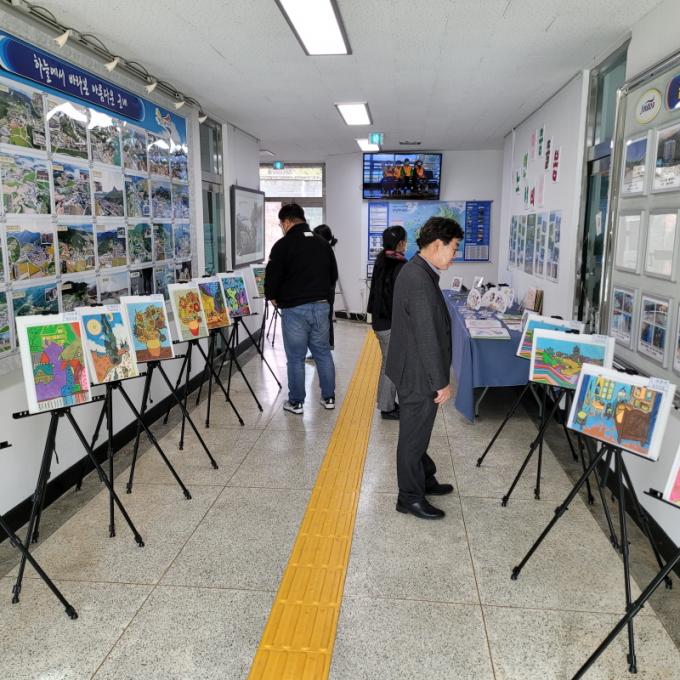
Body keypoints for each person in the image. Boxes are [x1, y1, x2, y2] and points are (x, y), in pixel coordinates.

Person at [386, 216, 463, 520]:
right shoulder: (418, 278)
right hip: (417, 373)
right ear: (437, 244)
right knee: (413, 437)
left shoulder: (419, 270)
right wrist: (440, 381)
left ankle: (424, 478)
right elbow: (427, 335)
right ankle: (409, 497)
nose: (454, 255)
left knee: (418, 432)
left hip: (413, 368)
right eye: (454, 248)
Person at [265, 204, 338, 414]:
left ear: (287, 222)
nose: (282, 227)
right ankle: (329, 397)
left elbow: (272, 277)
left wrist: (273, 296)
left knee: (296, 357)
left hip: (295, 309)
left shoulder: (283, 245)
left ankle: (296, 402)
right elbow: (333, 276)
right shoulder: (322, 243)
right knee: (323, 353)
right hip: (321, 307)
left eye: (281, 224)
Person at [367, 226, 407, 420]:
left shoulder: (382, 258)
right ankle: (387, 407)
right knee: (391, 366)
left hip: (379, 320)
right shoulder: (399, 265)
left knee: (388, 363)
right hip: (389, 323)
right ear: (400, 243)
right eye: (404, 240)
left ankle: (387, 402)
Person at [313, 224, 338, 350]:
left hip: (325, 292)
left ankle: (325, 347)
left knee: (323, 321)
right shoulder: (327, 249)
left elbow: (331, 275)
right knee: (326, 320)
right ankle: (327, 345)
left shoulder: (324, 251)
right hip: (327, 290)